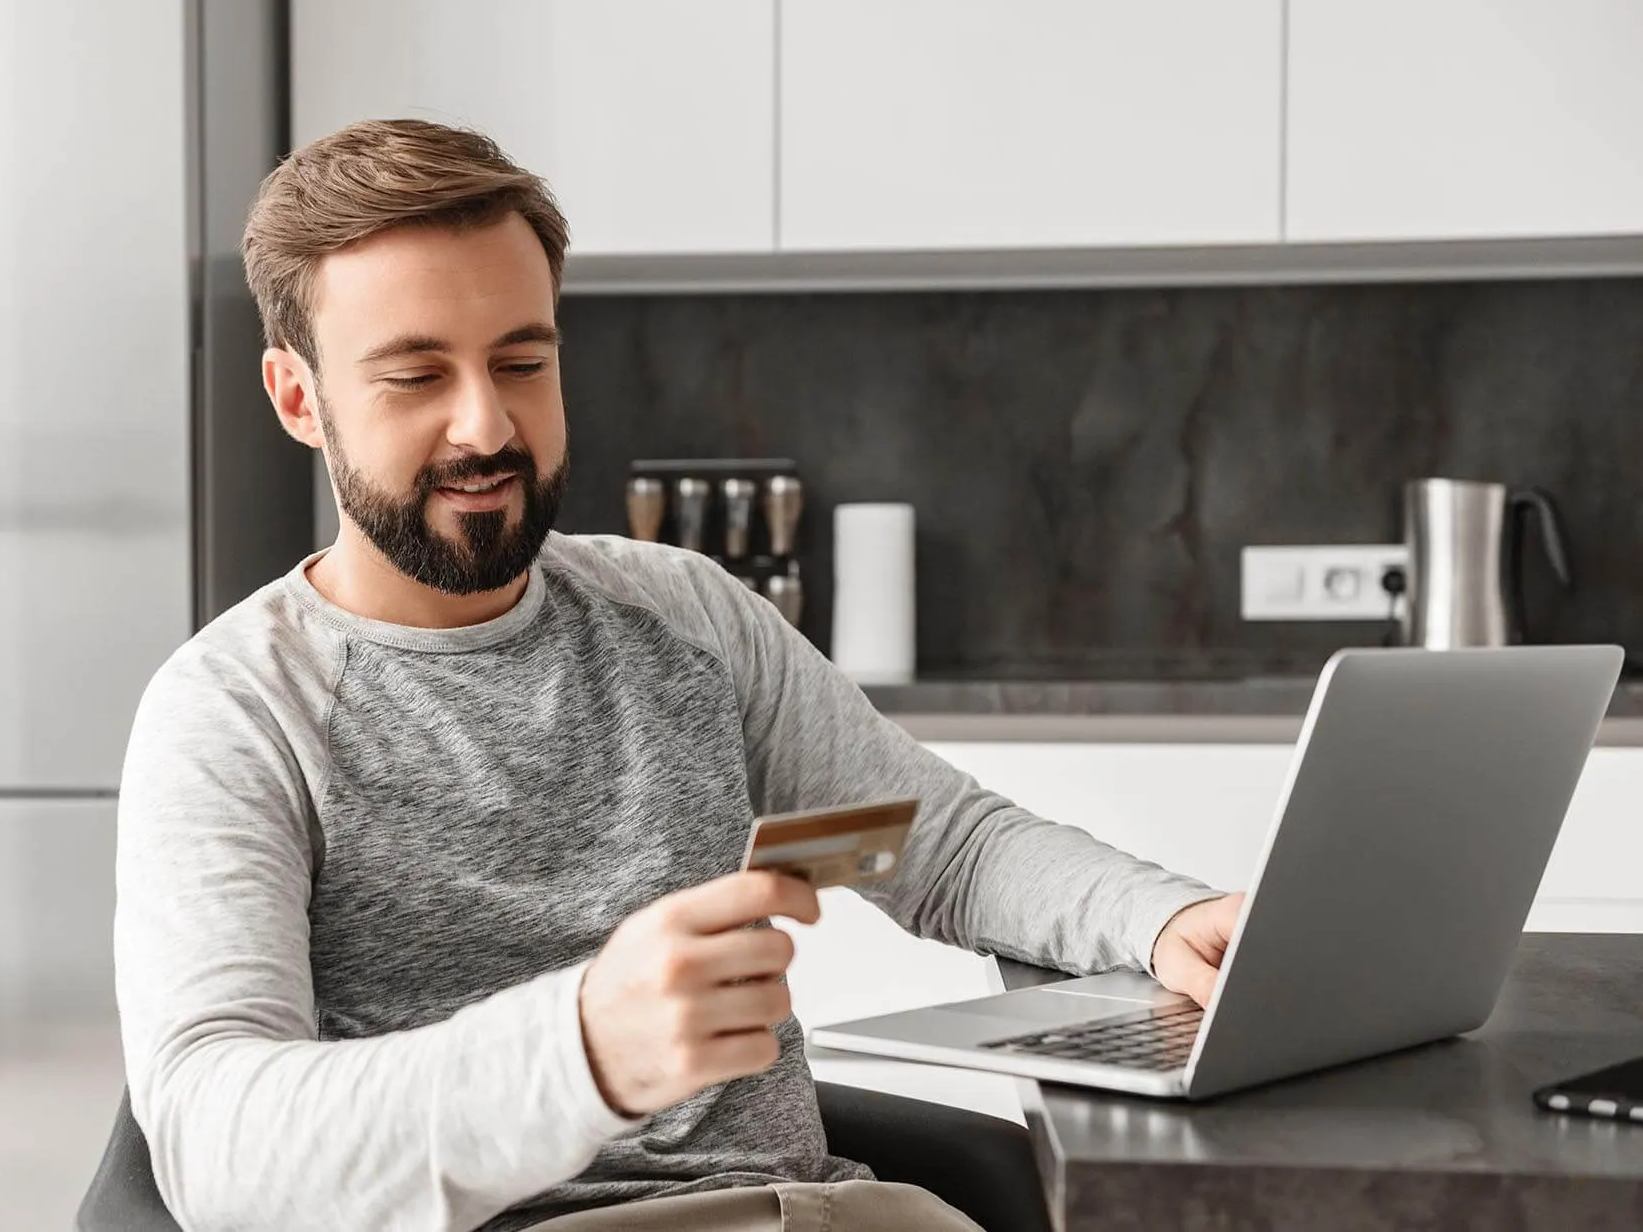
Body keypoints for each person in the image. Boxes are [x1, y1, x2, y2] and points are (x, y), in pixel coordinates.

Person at [112, 118, 1244, 1232]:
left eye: (522, 361)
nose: (485, 424)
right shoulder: (238, 712)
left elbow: (929, 847)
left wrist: (1163, 917)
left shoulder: (679, 616)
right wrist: (580, 1050)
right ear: (298, 397)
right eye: (414, 376)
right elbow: (217, 1139)